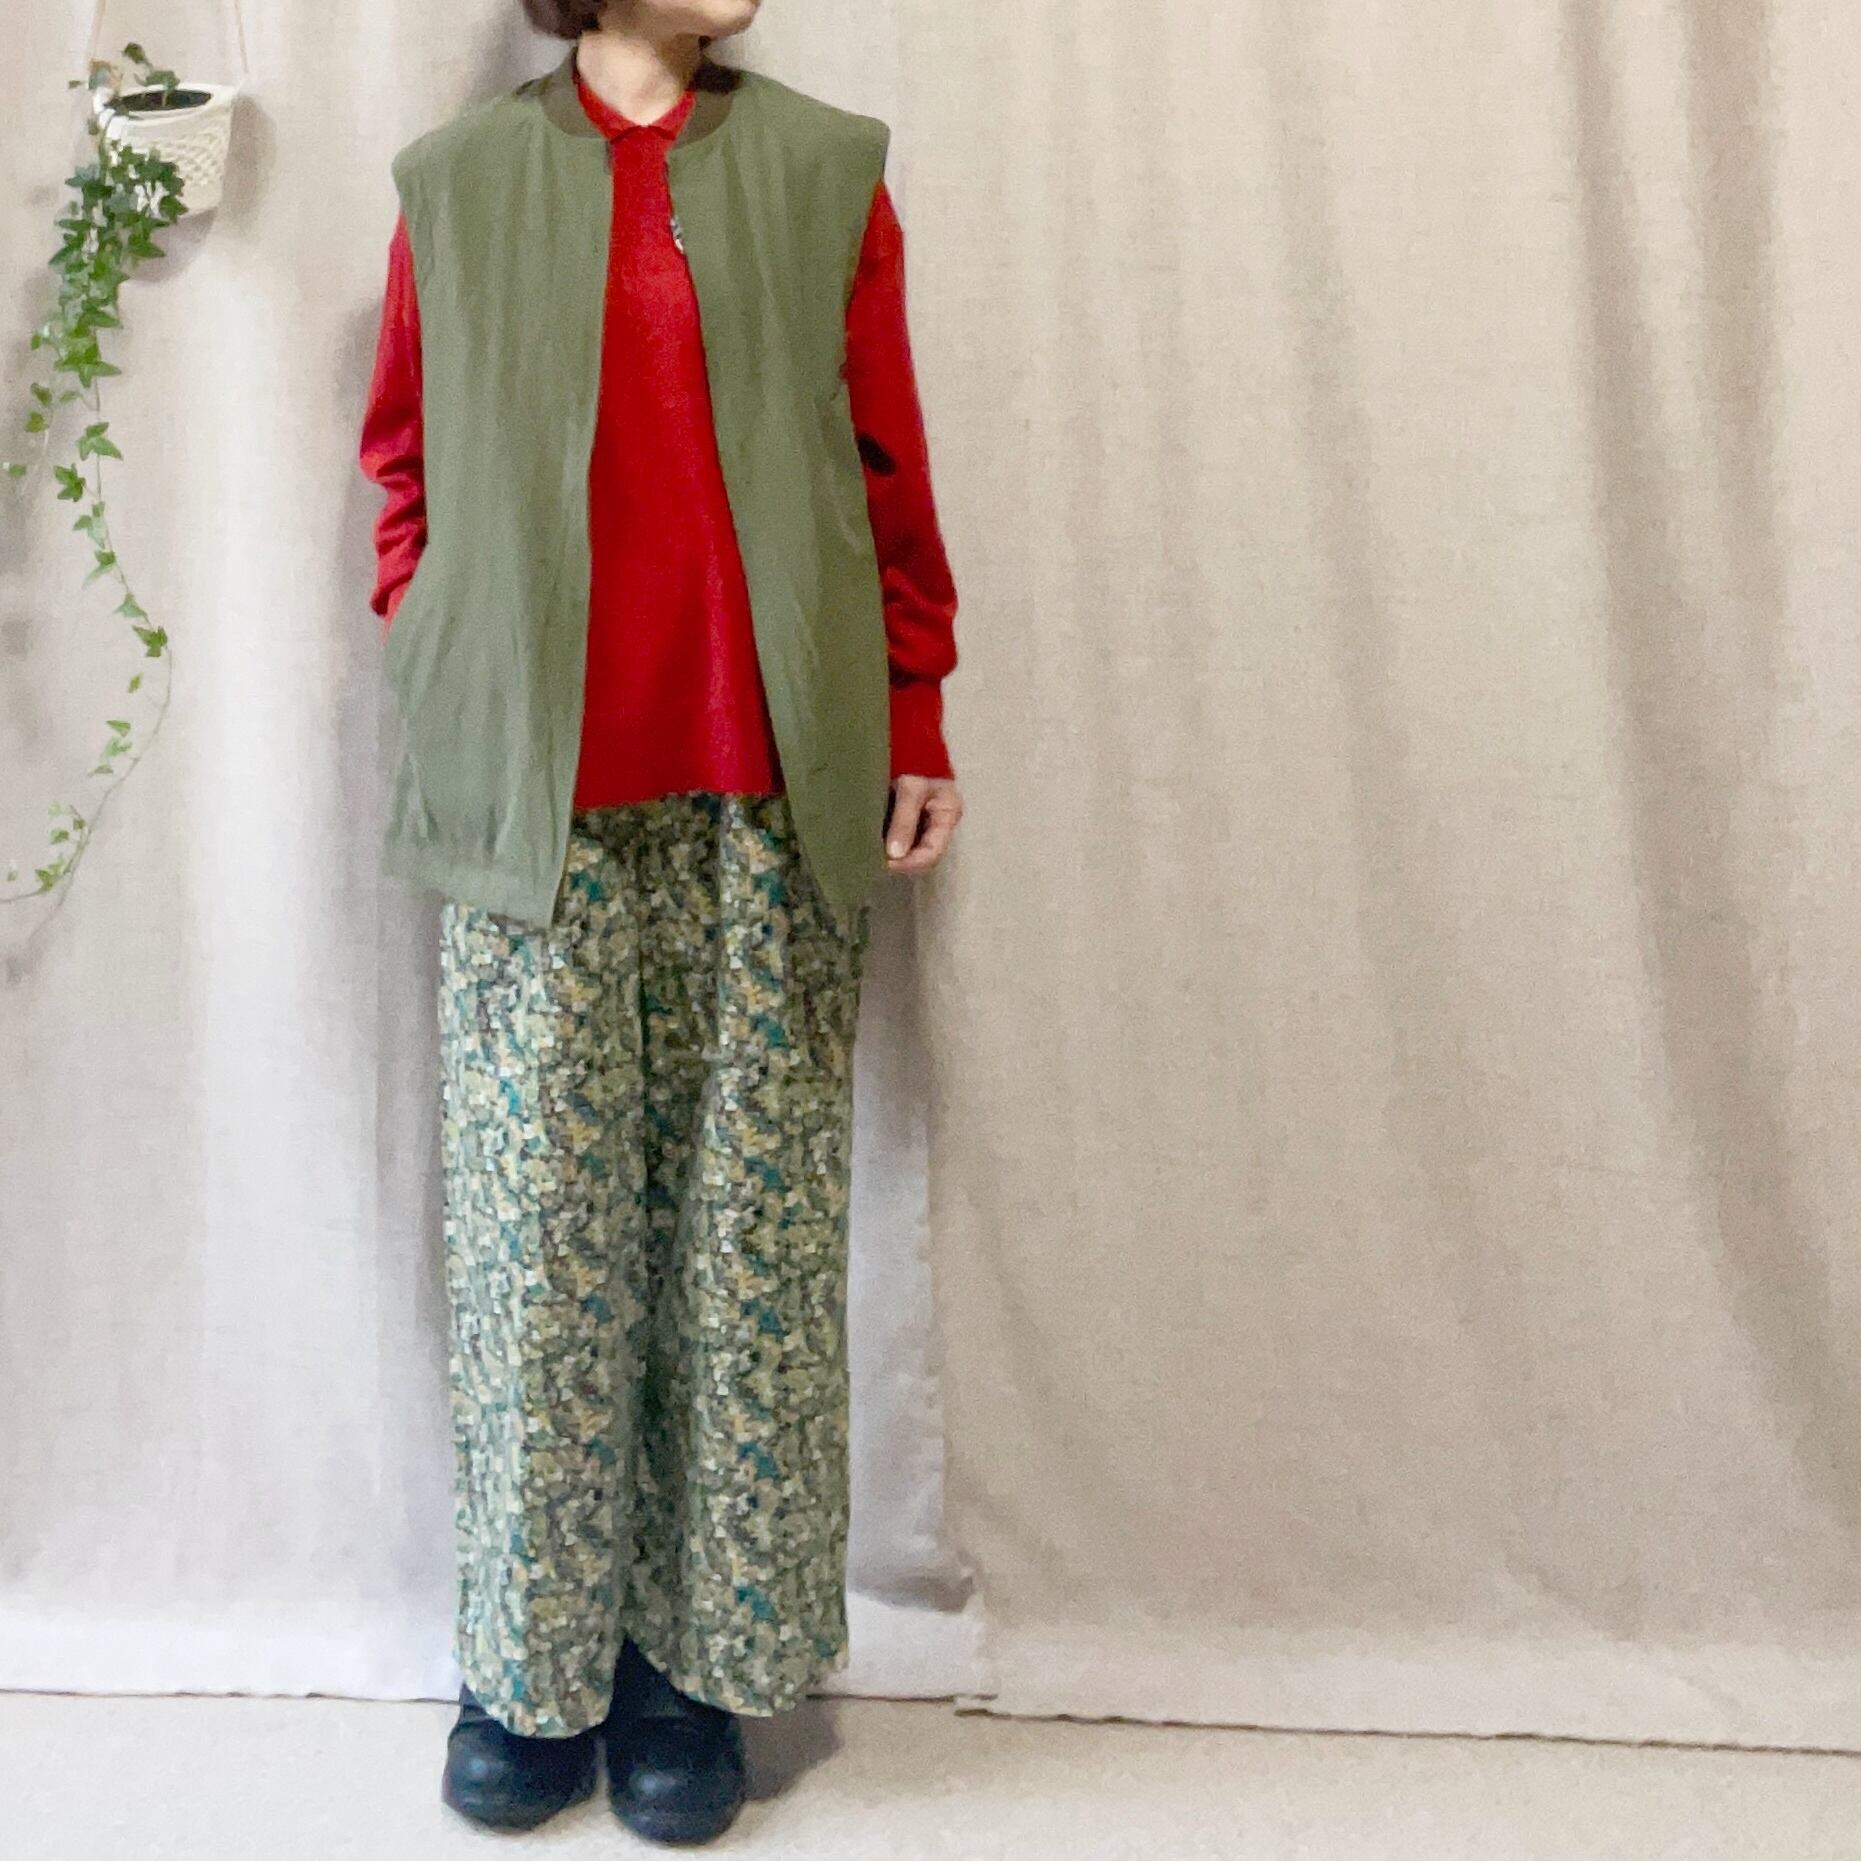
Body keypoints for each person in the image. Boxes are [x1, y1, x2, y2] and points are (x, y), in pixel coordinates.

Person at [357, 0, 962, 1842]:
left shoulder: (823, 170)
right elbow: (405, 463)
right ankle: (528, 1668)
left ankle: (687, 1669)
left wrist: (913, 709)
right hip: (533, 803)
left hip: (763, 789)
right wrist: (441, 641)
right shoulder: (460, 183)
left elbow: (883, 459)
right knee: (540, 1247)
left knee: (740, 1248)